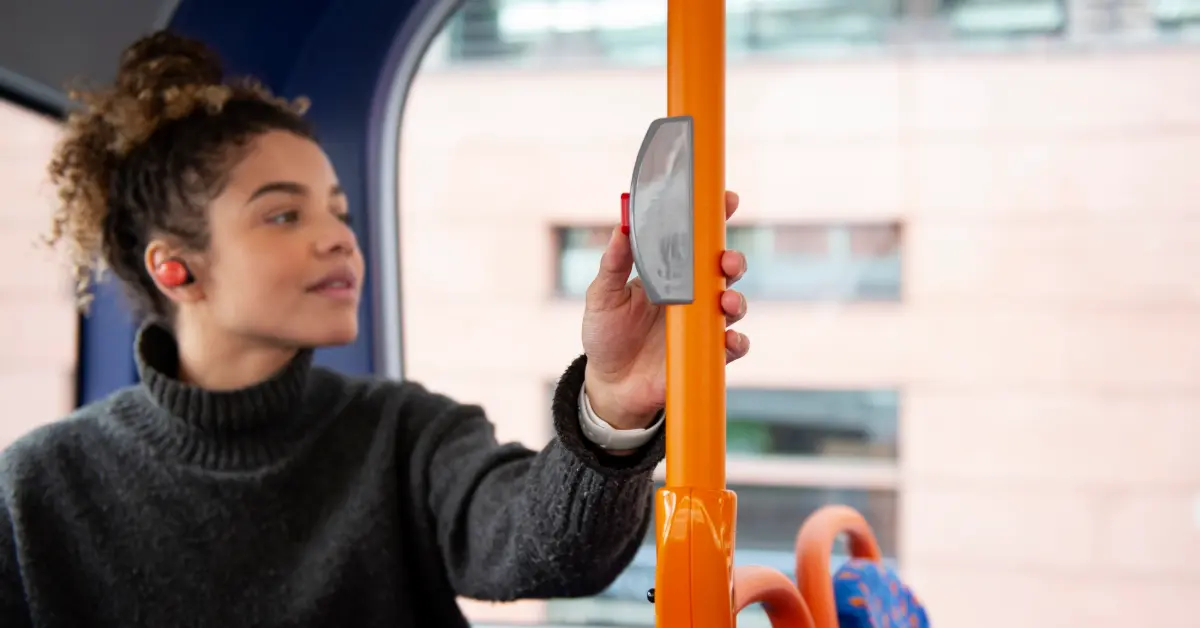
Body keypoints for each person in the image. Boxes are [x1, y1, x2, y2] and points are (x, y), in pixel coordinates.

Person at [0, 30, 751, 628]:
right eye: (285, 213)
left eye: (340, 211)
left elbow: (547, 552)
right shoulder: (37, 491)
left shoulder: (404, 434)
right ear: (176, 268)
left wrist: (613, 403)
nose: (339, 238)